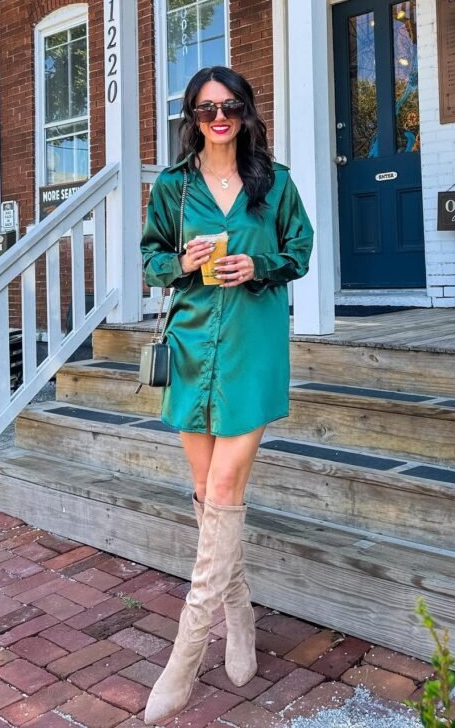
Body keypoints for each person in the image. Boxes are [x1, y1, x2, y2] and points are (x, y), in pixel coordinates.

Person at [140, 65, 314, 724]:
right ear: (192, 116)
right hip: (190, 347)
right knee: (207, 496)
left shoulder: (277, 184)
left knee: (221, 492)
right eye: (207, 109)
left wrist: (258, 265)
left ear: (245, 113)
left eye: (230, 107)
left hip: (251, 346)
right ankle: (238, 619)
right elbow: (151, 256)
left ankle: (183, 658)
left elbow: (299, 249)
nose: (219, 118)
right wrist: (180, 263)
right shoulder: (173, 187)